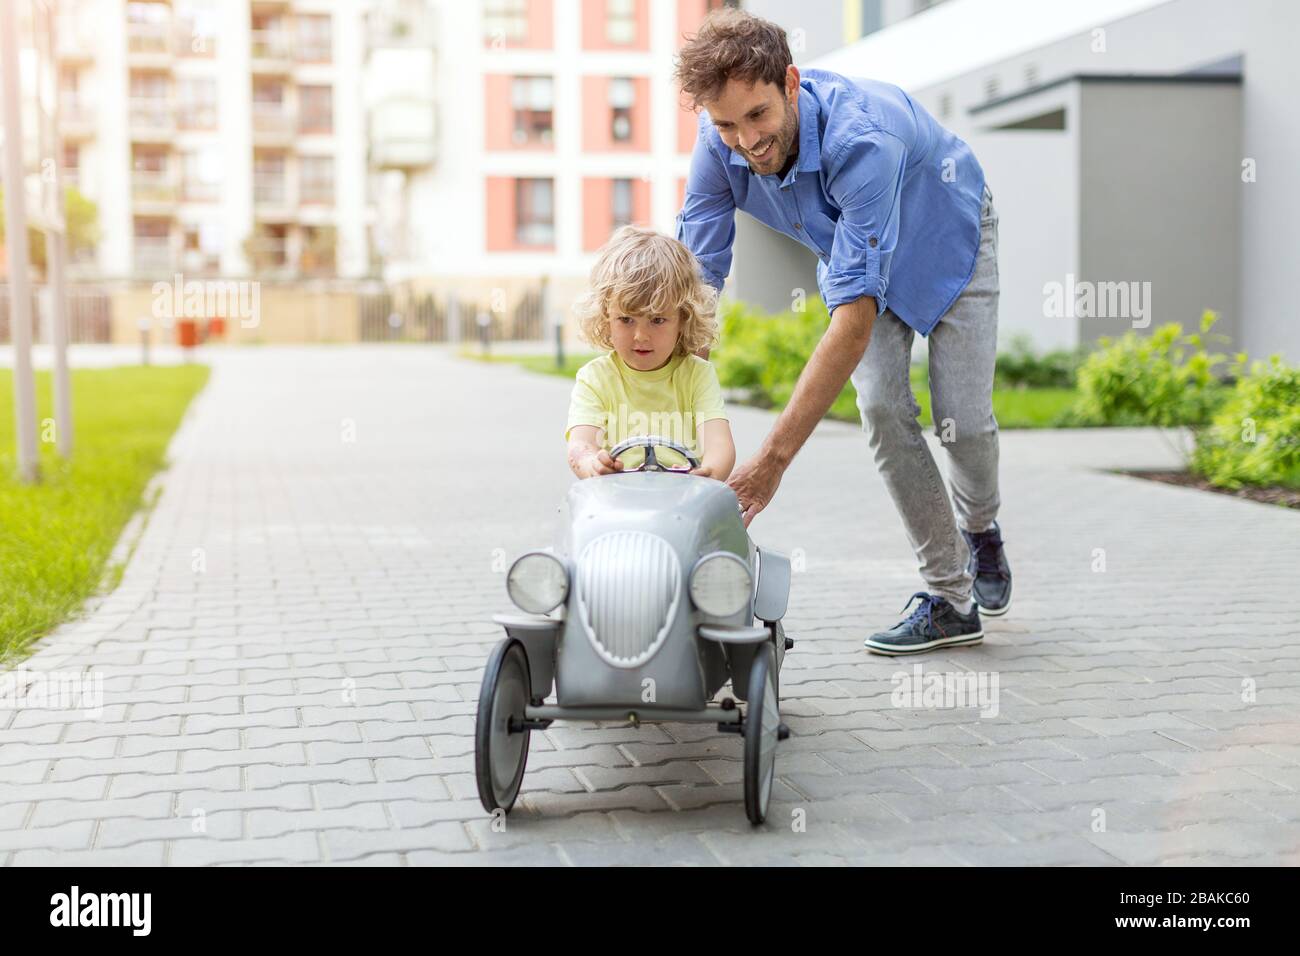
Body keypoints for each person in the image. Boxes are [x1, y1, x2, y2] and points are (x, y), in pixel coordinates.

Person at [673, 9, 1012, 656]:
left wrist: (770, 463)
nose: (745, 141)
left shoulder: (863, 141)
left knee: (961, 420)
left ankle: (982, 526)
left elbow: (852, 326)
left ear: (791, 83)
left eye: (758, 116)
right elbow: (697, 287)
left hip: (950, 237)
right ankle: (951, 599)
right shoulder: (717, 142)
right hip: (862, 249)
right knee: (883, 407)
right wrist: (670, 407)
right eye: (725, 124)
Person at [566, 226, 737, 482]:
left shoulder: (696, 375)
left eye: (657, 320)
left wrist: (709, 473)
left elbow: (718, 444)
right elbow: (580, 444)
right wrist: (592, 462)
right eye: (626, 319)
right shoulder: (595, 378)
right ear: (606, 317)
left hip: (682, 498)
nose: (640, 336)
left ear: (683, 319)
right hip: (617, 499)